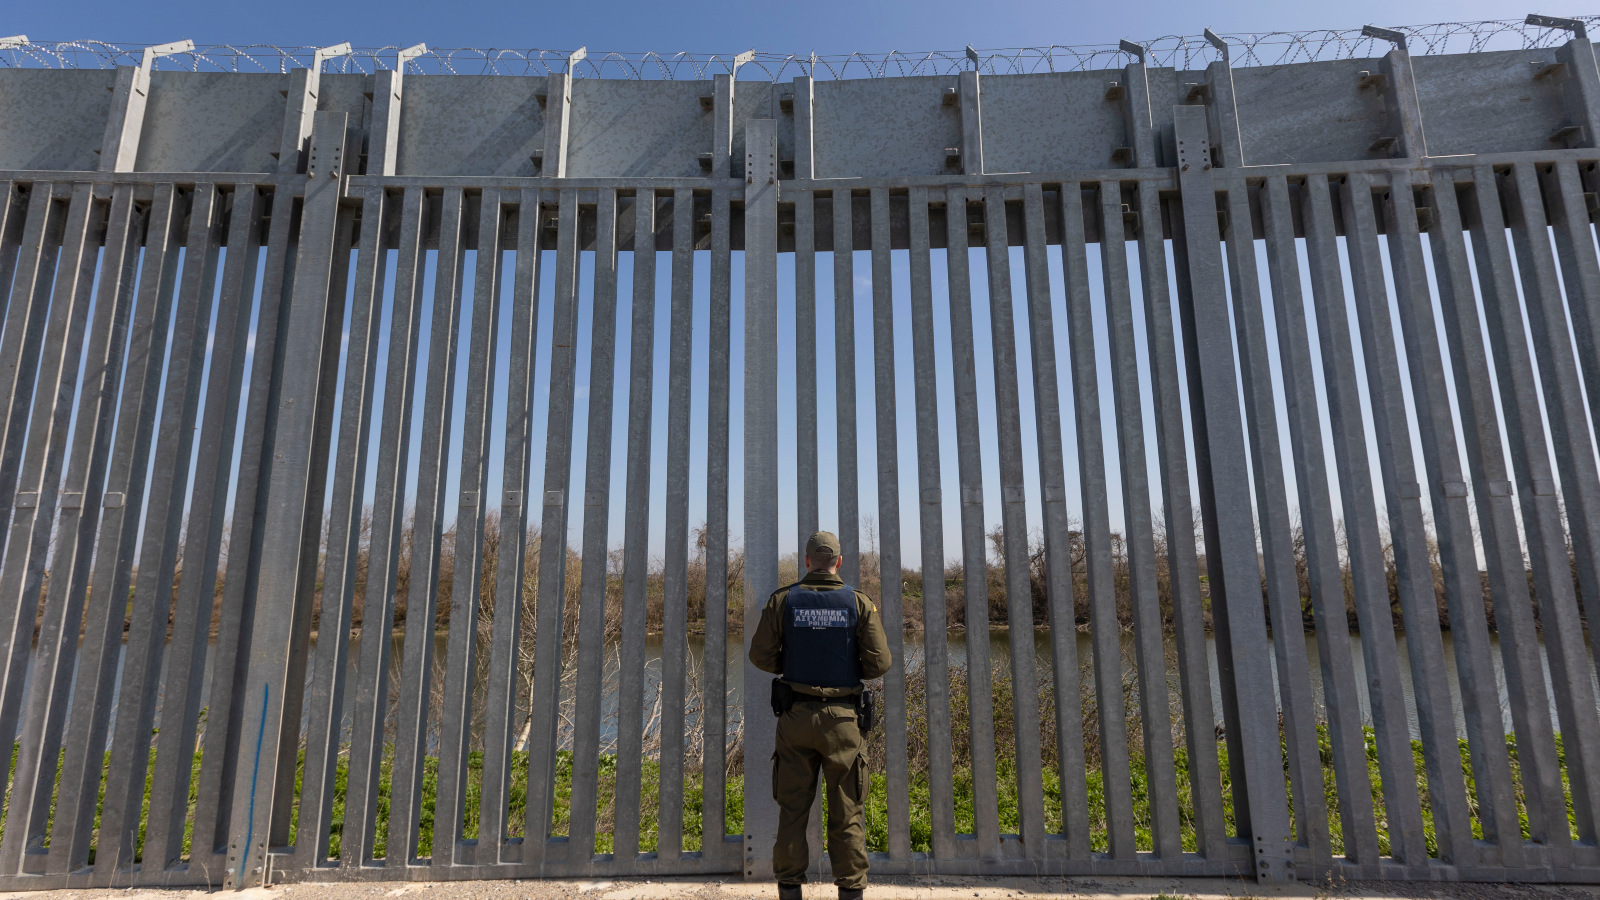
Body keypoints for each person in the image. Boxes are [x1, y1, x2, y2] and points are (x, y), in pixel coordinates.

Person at [748, 531, 892, 900]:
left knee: (792, 809)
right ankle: (850, 893)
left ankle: (790, 891)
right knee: (847, 812)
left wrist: (795, 667)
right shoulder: (858, 602)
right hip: (843, 721)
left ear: (808, 561)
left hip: (795, 717)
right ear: (838, 562)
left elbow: (760, 656)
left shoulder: (783, 600)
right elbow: (879, 663)